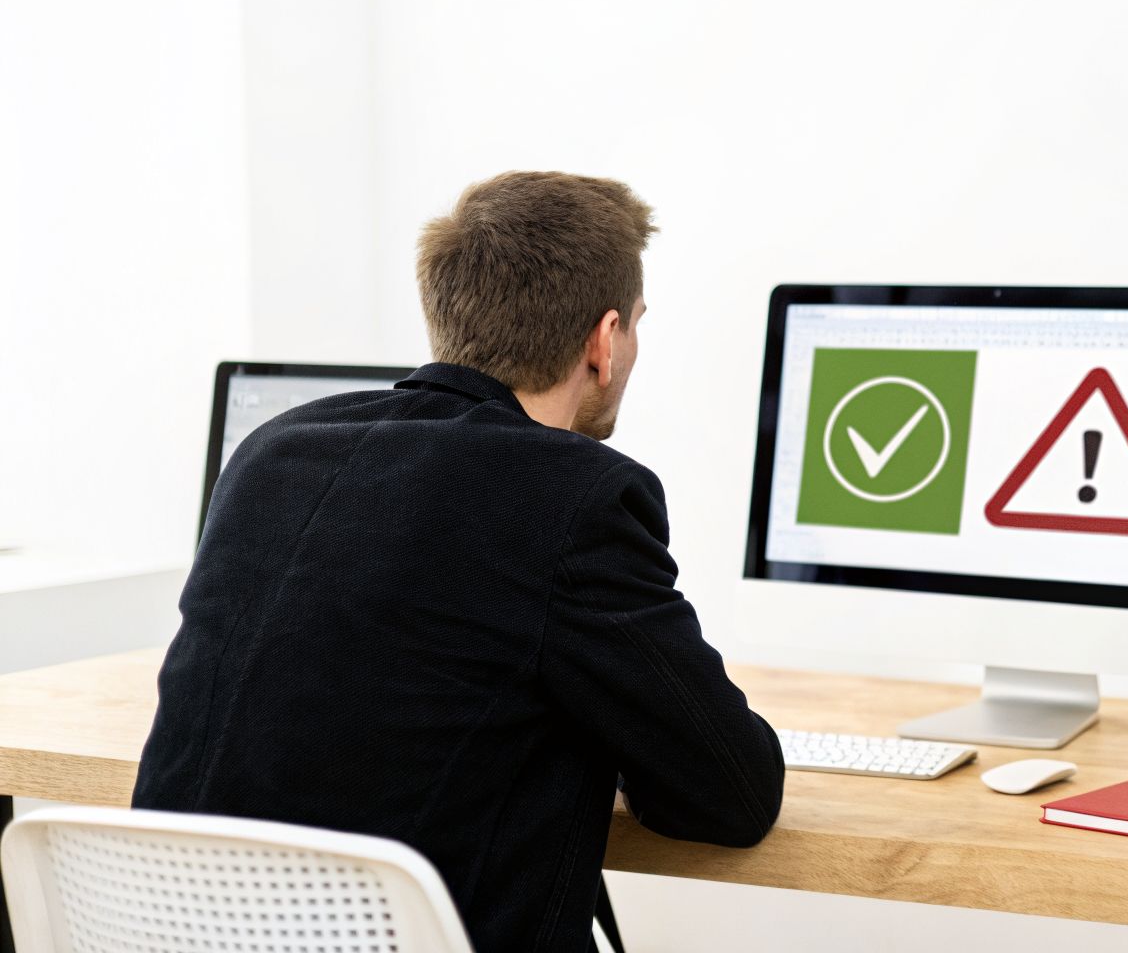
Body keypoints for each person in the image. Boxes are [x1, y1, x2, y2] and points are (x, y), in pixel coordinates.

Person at [133, 171, 784, 953]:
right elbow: (734, 793)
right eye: (638, 325)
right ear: (603, 341)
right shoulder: (574, 495)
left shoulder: (270, 452)